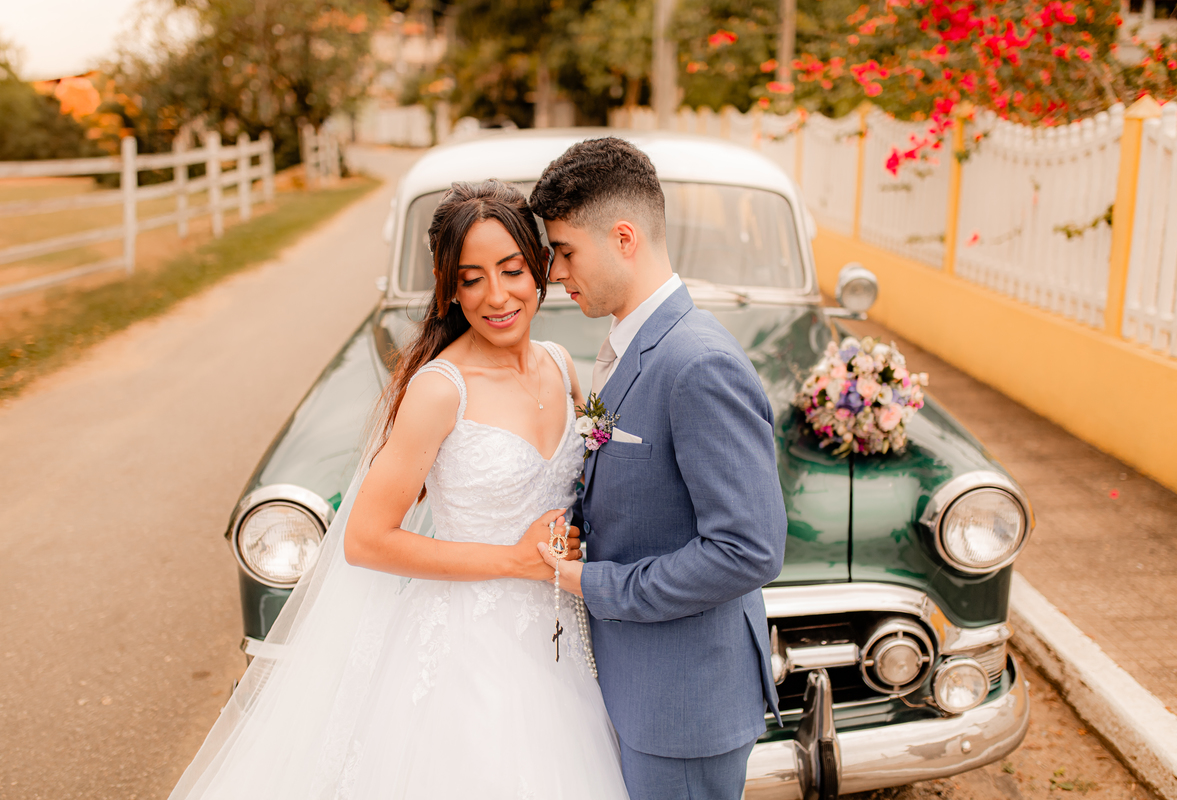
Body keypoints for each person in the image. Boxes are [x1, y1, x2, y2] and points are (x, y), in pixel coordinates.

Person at [167, 180, 629, 800]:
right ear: (450, 289)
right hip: (469, 650)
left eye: (512, 270)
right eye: (471, 279)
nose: (497, 296)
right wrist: (512, 561)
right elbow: (365, 539)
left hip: (558, 636)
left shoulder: (559, 364)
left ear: (539, 265)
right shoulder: (442, 389)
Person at [528, 138, 789, 800]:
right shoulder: (630, 343)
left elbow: (748, 549)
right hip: (637, 687)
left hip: (683, 706)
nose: (556, 273)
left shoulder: (698, 362)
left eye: (564, 251)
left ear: (623, 238)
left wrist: (597, 583)